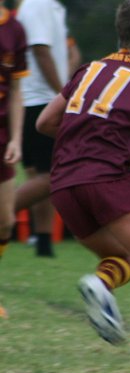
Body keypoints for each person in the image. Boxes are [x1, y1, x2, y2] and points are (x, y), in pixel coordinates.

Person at [36, 0, 130, 366]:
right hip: (109, 177)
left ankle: (101, 283)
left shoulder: (90, 69)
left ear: (120, 34)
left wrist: (90, 135)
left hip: (64, 183)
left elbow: (45, 123)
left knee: (123, 258)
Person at [14, 0, 69, 257]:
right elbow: (40, 50)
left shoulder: (50, 6)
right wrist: (64, 93)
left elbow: (62, 50)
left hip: (34, 100)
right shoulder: (39, 3)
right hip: (39, 100)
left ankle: (44, 242)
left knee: (40, 175)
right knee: (53, 177)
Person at [0, 0, 28, 317]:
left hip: (2, 137)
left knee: (6, 220)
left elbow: (17, 90)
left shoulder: (15, 29)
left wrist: (17, 138)